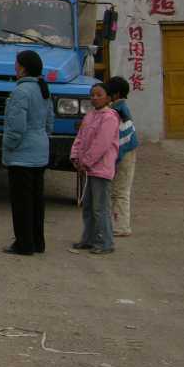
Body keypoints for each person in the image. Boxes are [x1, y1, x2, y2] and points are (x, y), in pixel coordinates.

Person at [1, 50, 54, 255]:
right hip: (39, 151)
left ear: (23, 67)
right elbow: (50, 122)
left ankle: (23, 244)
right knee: (36, 201)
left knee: (21, 202)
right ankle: (37, 242)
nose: (14, 67)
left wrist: (9, 145)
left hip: (22, 154)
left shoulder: (21, 92)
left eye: (16, 64)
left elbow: (16, 126)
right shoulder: (43, 89)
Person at [70, 82, 120, 254]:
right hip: (88, 168)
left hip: (101, 169)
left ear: (108, 97)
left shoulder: (110, 117)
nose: (95, 98)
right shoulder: (90, 115)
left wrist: (87, 161)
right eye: (92, 95)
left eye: (99, 95)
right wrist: (75, 156)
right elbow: (80, 137)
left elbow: (102, 143)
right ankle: (89, 239)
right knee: (88, 207)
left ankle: (106, 242)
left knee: (100, 207)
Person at [107, 76, 140, 237]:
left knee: (120, 191)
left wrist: (114, 159)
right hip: (127, 151)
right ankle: (118, 224)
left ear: (115, 94)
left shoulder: (117, 111)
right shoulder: (119, 108)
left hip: (124, 153)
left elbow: (122, 139)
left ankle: (121, 227)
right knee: (119, 190)